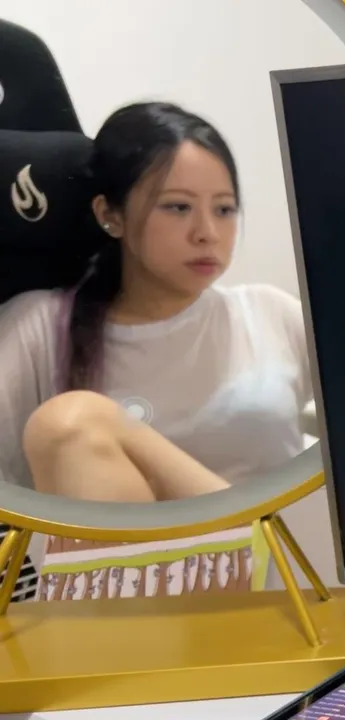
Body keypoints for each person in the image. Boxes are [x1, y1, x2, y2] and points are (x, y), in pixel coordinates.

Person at [0, 101, 312, 504]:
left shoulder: (270, 314)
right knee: (70, 421)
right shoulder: (40, 328)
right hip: (124, 548)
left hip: (290, 543)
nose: (208, 232)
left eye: (224, 209)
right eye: (178, 207)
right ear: (110, 214)